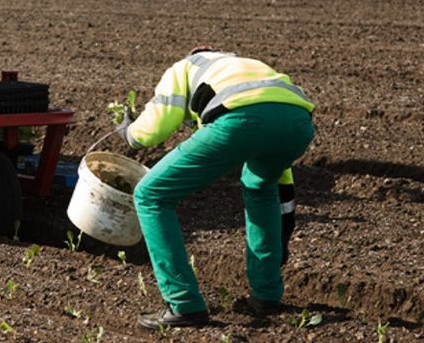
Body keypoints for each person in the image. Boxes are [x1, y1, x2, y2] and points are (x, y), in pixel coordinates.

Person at [116, 47, 315, 330]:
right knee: (261, 186)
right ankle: (267, 295)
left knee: (151, 194)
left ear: (196, 52)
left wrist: (129, 133)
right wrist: (285, 230)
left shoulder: (185, 66)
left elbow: (156, 127)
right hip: (298, 123)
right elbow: (283, 182)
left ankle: (184, 305)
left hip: (239, 120)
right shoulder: (248, 66)